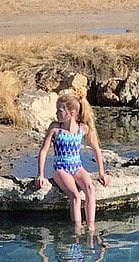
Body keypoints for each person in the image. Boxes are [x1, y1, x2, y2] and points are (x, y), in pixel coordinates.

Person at [34, 90, 111, 233]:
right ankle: (77, 230)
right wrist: (41, 174)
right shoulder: (55, 128)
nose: (57, 113)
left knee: (89, 189)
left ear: (72, 112)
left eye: (60, 110)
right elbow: (44, 151)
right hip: (61, 168)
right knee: (75, 195)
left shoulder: (83, 128)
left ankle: (91, 227)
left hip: (77, 166)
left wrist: (102, 173)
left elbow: (96, 150)